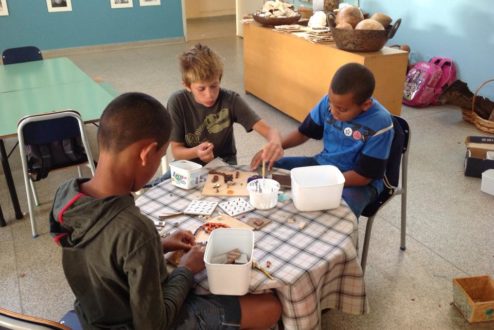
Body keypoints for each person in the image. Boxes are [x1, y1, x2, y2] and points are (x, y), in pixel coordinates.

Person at [49, 92, 282, 329]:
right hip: (141, 322)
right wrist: (186, 270)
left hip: (94, 314)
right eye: (159, 157)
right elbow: (154, 324)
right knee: (269, 307)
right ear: (146, 154)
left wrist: (158, 245)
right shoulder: (135, 228)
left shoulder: (66, 195)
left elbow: (105, 251)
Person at [260, 63, 394, 218]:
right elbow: (303, 133)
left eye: (342, 109)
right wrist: (275, 147)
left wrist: (318, 181)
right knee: (272, 168)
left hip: (360, 183)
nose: (333, 111)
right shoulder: (330, 103)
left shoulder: (380, 124)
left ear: (365, 105)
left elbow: (363, 177)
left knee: (340, 211)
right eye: (331, 102)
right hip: (323, 165)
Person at [146, 43, 283, 187]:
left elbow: (270, 130)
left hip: (223, 161)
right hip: (187, 163)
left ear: (220, 79)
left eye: (214, 86)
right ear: (187, 85)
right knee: (159, 187)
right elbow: (177, 152)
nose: (209, 95)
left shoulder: (231, 100)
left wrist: (274, 141)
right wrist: (196, 152)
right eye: (201, 89)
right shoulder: (177, 102)